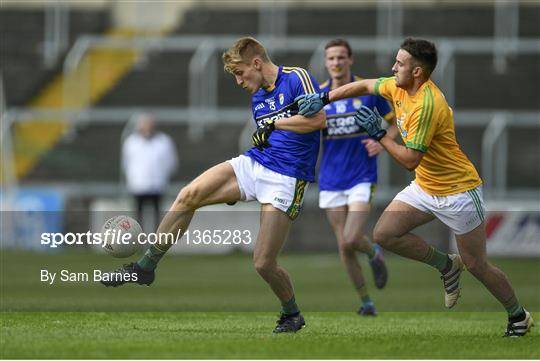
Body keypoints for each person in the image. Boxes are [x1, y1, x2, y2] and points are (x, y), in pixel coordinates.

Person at [295, 37, 533, 337]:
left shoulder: (427, 104)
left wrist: (381, 135)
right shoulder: (397, 85)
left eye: (400, 63)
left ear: (417, 71)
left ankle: (518, 316)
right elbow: (364, 85)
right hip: (425, 186)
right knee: (384, 234)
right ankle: (446, 265)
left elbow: (409, 159)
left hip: (458, 190)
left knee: (477, 265)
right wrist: (325, 98)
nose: (393, 67)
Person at [101, 37, 326, 333]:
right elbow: (270, 132)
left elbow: (318, 120)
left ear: (257, 63)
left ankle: (291, 313)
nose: (238, 81)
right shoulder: (258, 93)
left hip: (287, 177)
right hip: (255, 163)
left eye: (240, 73)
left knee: (263, 263)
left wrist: (275, 125)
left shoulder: (297, 78)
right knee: (188, 196)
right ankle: (145, 267)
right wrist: (268, 131)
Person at [317, 39, 398, 316]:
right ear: (326, 62)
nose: (336, 63)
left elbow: (396, 120)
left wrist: (382, 141)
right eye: (331, 58)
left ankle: (374, 252)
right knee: (343, 245)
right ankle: (366, 302)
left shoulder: (367, 89)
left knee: (352, 237)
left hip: (362, 175)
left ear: (350, 60)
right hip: (330, 178)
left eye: (341, 57)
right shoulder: (319, 96)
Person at [122, 113, 178, 231]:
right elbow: (126, 163)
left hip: (157, 185)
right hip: (138, 185)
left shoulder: (164, 141)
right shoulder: (131, 142)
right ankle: (138, 243)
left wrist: (162, 176)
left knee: (158, 218)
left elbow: (171, 162)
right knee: (138, 218)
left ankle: (156, 244)